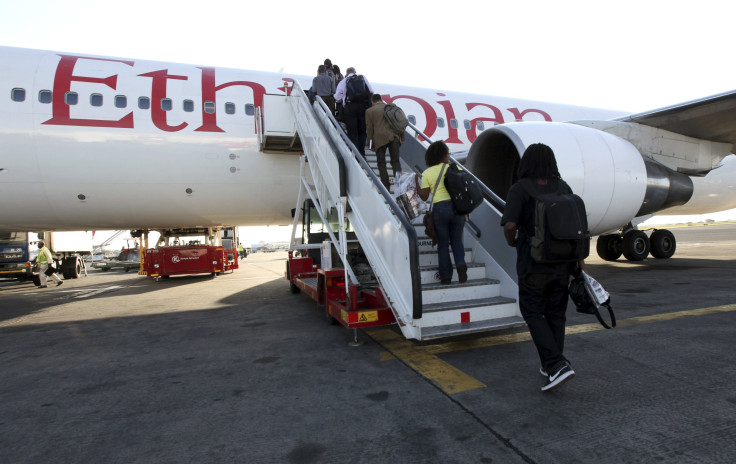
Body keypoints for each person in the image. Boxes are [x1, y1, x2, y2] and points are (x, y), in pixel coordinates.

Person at [500, 143, 584, 392]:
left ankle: (556, 365)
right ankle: (551, 365)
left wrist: (512, 242)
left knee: (533, 312)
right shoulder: (563, 187)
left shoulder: (520, 188)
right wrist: (580, 266)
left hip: (533, 264)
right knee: (556, 314)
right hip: (563, 265)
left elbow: (510, 226)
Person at [416, 141, 467, 285]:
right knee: (456, 241)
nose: (449, 156)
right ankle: (461, 265)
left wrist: (415, 183)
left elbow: (424, 196)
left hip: (440, 209)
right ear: (443, 155)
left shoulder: (427, 173)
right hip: (457, 209)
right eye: (447, 153)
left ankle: (445, 277)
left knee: (443, 244)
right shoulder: (454, 167)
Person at [366, 94, 403, 191]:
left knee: (381, 162)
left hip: (380, 139)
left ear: (373, 102)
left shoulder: (370, 111)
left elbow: (370, 129)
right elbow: (400, 123)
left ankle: (386, 185)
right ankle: (400, 184)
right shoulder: (391, 107)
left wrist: (370, 144)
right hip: (394, 137)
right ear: (381, 100)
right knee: (395, 161)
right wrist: (401, 139)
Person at [334, 67, 373, 156]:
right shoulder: (362, 78)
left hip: (350, 107)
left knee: (352, 131)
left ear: (346, 73)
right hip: (363, 107)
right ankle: (362, 153)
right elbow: (371, 91)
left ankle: (355, 154)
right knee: (362, 131)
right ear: (355, 72)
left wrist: (342, 100)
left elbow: (337, 97)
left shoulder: (344, 81)